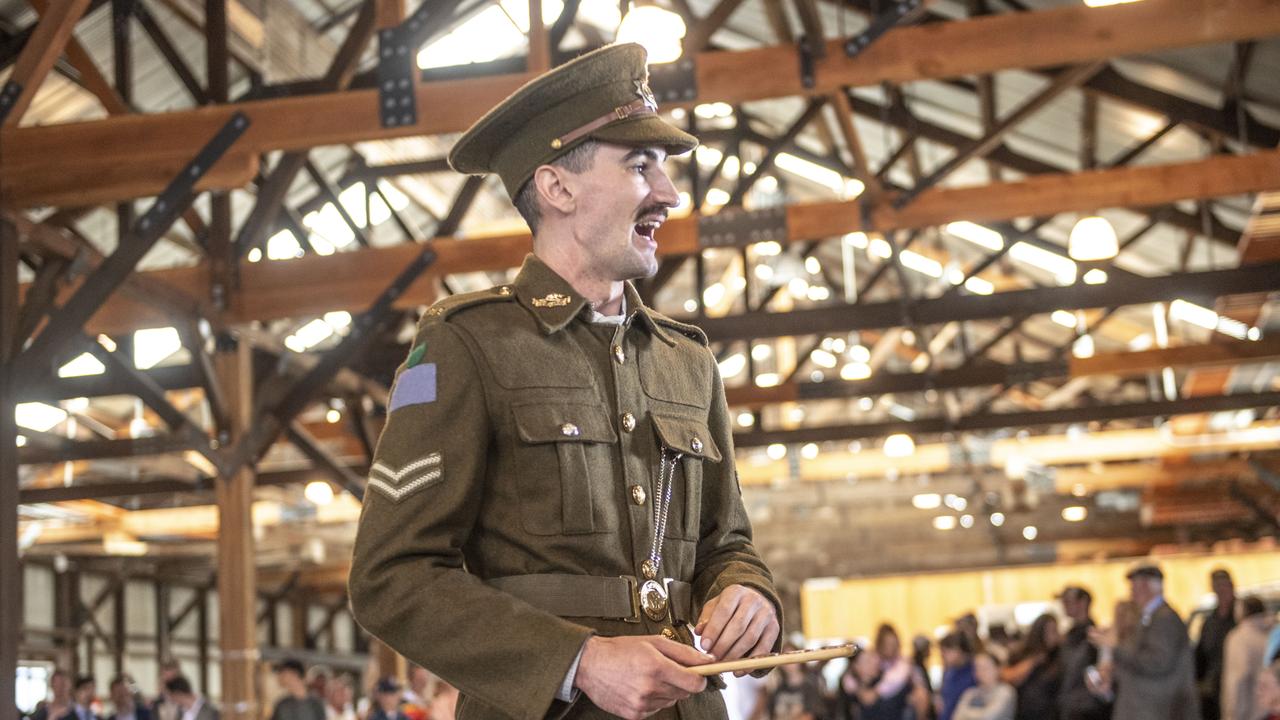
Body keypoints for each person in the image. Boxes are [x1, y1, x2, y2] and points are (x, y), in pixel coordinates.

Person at [347, 42, 782, 720]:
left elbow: (727, 545)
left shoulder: (687, 360)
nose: (667, 194)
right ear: (557, 187)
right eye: (641, 166)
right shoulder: (467, 344)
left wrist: (748, 593)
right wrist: (579, 661)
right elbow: (390, 579)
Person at [1089, 563, 1200, 720]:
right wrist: (1109, 678)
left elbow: (1157, 663)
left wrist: (1116, 646)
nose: (1131, 594)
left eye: (1134, 587)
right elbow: (1140, 663)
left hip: (1155, 711)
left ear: (1148, 587)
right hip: (1147, 710)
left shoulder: (1165, 619)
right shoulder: (1148, 619)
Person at [1056, 587, 1109, 720]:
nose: (1064, 605)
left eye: (1068, 601)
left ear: (1083, 602)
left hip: (1086, 709)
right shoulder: (1070, 635)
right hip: (1071, 706)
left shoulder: (1095, 637)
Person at [1221, 596, 1275, 720]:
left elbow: (1237, 681)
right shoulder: (1274, 633)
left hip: (1250, 712)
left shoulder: (1239, 638)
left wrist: (1232, 715)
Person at [1002, 613, 1062, 720]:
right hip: (1023, 712)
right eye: (1048, 631)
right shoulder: (1022, 653)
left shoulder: (1060, 654)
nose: (1052, 635)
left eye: (1054, 631)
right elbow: (1008, 677)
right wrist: (1033, 661)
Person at [1197, 569, 1237, 720]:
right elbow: (1200, 654)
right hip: (1213, 687)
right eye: (1217, 586)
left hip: (1235, 684)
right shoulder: (1210, 621)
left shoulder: (1241, 616)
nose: (1221, 590)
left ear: (1232, 586)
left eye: (1224, 585)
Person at [952, 652, 1014, 720]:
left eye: (985, 668)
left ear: (998, 669)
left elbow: (989, 717)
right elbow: (956, 716)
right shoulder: (970, 692)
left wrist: (966, 713)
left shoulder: (1005, 692)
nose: (981, 672)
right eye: (977, 668)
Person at [938, 632, 977, 720]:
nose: (942, 655)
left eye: (946, 651)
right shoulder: (949, 671)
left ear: (959, 650)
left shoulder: (976, 671)